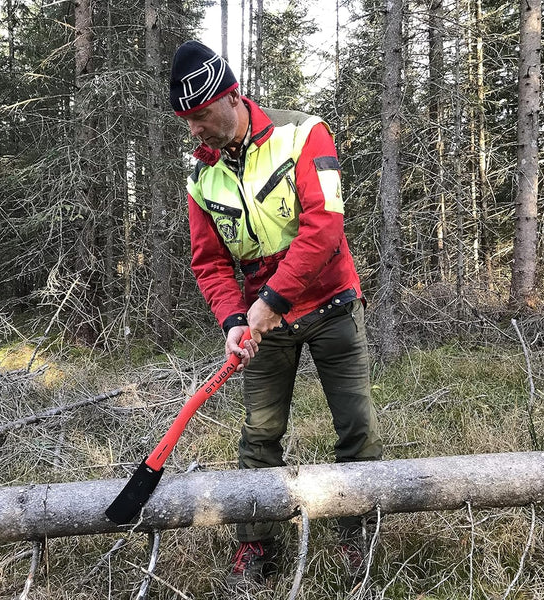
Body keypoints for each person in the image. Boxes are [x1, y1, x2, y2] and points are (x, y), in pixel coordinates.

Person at [169, 40, 383, 586]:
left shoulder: (304, 134)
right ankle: (256, 546)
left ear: (231, 96)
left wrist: (268, 303)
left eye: (199, 116)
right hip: (266, 327)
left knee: (355, 428)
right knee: (259, 437)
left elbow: (323, 229)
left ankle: (356, 538)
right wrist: (235, 320)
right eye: (185, 120)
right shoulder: (200, 178)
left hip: (332, 305)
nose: (193, 130)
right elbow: (210, 264)